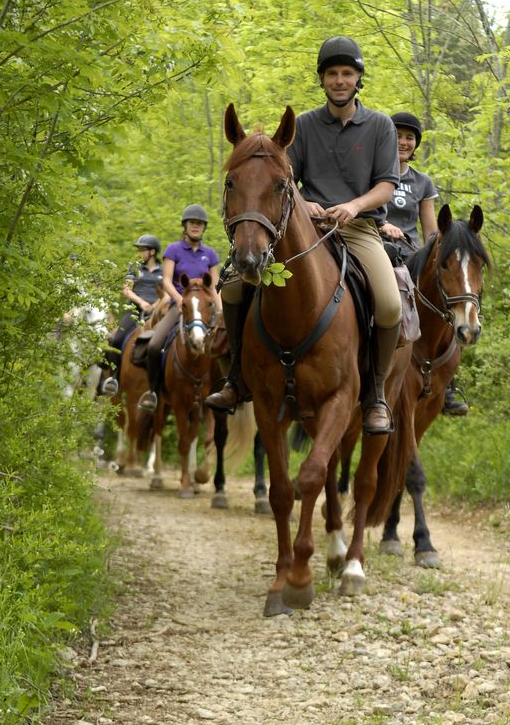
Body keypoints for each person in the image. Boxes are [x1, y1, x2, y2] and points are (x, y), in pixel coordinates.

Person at [206, 35, 402, 434]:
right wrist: (306, 203)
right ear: (322, 79)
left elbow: (386, 186)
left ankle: (376, 394)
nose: (340, 80)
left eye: (347, 73)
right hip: (305, 228)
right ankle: (237, 379)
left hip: (358, 228)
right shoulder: (305, 126)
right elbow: (281, 178)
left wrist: (353, 206)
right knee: (232, 288)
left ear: (358, 79)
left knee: (389, 305)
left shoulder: (380, 125)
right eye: (332, 73)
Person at [379, 111, 469, 417]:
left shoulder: (422, 182)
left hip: (412, 256)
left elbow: (431, 231)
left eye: (409, 137)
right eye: (398, 136)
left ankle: (448, 383)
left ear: (415, 144)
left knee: (451, 296)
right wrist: (382, 226)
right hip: (377, 249)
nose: (403, 142)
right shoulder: (374, 173)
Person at [137, 204, 221, 413]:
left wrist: (220, 311)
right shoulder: (173, 250)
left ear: (204, 228)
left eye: (199, 224)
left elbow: (215, 287)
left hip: (205, 307)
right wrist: (179, 301)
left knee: (227, 345)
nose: (196, 227)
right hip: (180, 305)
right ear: (185, 226)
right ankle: (153, 392)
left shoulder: (210, 254)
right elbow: (166, 280)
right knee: (155, 344)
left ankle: (228, 391)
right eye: (192, 223)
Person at [99, 234, 163, 396]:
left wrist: (155, 306)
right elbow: (126, 290)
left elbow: (166, 293)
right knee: (116, 339)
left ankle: (159, 383)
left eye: (142, 250)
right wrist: (141, 303)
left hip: (155, 313)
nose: (139, 253)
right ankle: (113, 378)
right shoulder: (134, 267)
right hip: (134, 312)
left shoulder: (163, 271)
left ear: (153, 252)